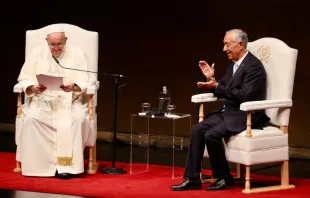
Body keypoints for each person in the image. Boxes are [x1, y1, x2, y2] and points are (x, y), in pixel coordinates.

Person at [171, 29, 270, 191]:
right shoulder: (233, 65)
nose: (224, 49)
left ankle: (224, 177)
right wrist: (212, 80)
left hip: (246, 114)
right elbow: (224, 88)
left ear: (240, 44)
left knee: (211, 134)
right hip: (229, 112)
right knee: (197, 129)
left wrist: (217, 86)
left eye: (227, 45)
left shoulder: (254, 67)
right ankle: (192, 178)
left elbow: (245, 95)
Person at [16, 25, 96, 179]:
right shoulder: (37, 53)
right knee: (32, 119)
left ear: (66, 40)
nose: (56, 48)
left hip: (70, 102)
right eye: (52, 44)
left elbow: (88, 80)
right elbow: (24, 77)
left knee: (77, 119)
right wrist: (33, 87)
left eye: (60, 44)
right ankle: (38, 167)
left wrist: (74, 86)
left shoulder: (78, 54)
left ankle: (66, 167)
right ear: (46, 41)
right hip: (43, 102)